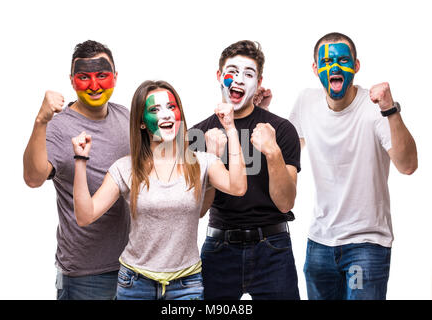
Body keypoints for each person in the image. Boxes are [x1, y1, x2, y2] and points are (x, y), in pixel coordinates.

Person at [71, 80, 247, 300]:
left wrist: (230, 128)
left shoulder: (202, 162)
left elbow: (238, 187)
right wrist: (80, 159)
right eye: (155, 109)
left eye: (171, 107)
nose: (166, 114)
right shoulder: (125, 168)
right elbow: (85, 216)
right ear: (142, 122)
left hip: (187, 284)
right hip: (135, 283)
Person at [289, 32, 418, 300]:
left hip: (365, 245)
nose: (334, 67)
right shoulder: (306, 102)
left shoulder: (376, 109)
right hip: (319, 244)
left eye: (343, 60)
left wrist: (390, 110)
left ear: (356, 66)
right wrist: (258, 110)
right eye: (326, 61)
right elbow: (286, 151)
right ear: (315, 69)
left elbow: (408, 165)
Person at [190, 40, 301, 300]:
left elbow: (286, 203)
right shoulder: (198, 134)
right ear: (219, 76)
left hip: (273, 248)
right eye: (232, 72)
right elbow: (199, 210)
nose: (239, 80)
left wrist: (272, 152)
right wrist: (209, 159)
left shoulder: (281, 130)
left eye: (248, 74)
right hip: (219, 249)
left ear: (259, 83)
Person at [22, 40, 130, 300]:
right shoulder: (59, 128)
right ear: (72, 81)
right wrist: (41, 120)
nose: (94, 86)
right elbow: (33, 178)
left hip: (131, 268)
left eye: (102, 76)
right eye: (84, 77)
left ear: (116, 77)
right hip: (84, 276)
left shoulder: (126, 116)